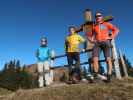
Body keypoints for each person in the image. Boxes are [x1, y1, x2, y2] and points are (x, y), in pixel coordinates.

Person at [92, 11, 119, 82]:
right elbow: (92, 35)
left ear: (101, 17)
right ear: (95, 18)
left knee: (108, 59)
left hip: (105, 42)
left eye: (99, 16)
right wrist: (92, 40)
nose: (98, 17)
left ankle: (109, 76)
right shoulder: (94, 26)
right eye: (96, 16)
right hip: (97, 43)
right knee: (94, 59)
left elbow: (116, 30)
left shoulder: (106, 24)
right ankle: (96, 76)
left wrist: (111, 37)